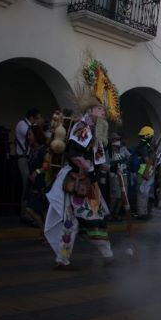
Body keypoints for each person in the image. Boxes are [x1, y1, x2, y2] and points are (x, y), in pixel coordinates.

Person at [44, 59, 120, 269]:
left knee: (75, 221)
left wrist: (107, 167)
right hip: (79, 181)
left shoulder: (95, 129)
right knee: (87, 219)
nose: (104, 112)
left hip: (86, 181)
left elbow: (97, 157)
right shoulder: (83, 127)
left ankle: (64, 259)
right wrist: (89, 169)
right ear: (92, 110)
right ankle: (106, 256)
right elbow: (74, 152)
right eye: (100, 109)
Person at [16, 108, 42, 221]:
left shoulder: (29, 125)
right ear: (31, 118)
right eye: (37, 118)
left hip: (29, 158)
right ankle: (24, 213)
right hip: (23, 158)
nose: (37, 121)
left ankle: (30, 212)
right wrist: (39, 126)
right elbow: (31, 134)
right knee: (26, 184)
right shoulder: (22, 124)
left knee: (30, 185)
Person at [132, 126, 155, 220]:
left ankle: (144, 212)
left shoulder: (146, 146)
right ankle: (141, 213)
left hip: (145, 171)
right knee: (142, 192)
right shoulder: (144, 147)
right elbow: (147, 160)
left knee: (145, 193)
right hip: (143, 172)